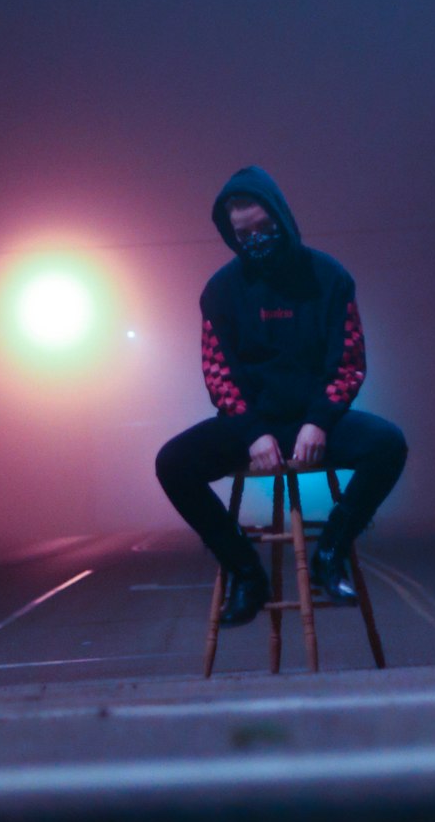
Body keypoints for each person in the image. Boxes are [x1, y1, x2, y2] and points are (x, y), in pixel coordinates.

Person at [156, 166, 408, 627]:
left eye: (263, 228)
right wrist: (252, 432)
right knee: (172, 463)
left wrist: (320, 420)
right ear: (230, 235)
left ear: (282, 219)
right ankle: (245, 573)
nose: (255, 239)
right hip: (251, 424)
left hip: (313, 419)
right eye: (242, 233)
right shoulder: (221, 290)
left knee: (388, 445)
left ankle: (330, 553)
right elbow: (219, 374)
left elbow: (348, 362)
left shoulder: (329, 277)